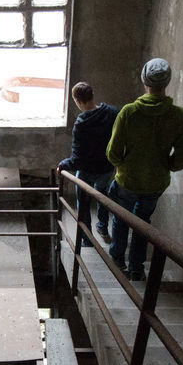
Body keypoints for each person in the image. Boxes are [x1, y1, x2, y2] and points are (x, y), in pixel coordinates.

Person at [105, 58, 183, 280]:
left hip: (127, 179)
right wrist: (165, 165)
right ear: (167, 81)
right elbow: (180, 159)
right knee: (143, 223)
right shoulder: (181, 117)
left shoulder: (129, 112)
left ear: (145, 80)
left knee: (121, 219)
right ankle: (136, 267)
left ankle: (117, 259)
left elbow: (112, 153)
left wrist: (124, 164)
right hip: (155, 182)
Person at [57, 81, 117, 247]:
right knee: (103, 195)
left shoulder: (81, 125)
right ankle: (103, 227)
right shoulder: (112, 113)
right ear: (92, 95)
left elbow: (77, 160)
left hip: (88, 171)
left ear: (77, 101)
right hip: (107, 168)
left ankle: (86, 239)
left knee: (83, 203)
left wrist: (62, 165)